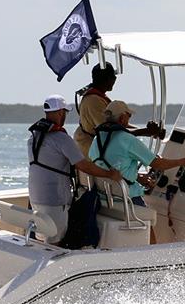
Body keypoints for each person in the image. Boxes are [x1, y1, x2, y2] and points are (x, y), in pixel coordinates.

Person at [28, 94, 122, 244]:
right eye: (65, 112)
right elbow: (83, 165)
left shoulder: (34, 137)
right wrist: (110, 174)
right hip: (54, 198)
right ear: (60, 112)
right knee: (55, 240)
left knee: (42, 237)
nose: (65, 116)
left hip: (35, 196)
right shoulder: (61, 138)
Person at [89, 100, 185, 207]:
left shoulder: (97, 139)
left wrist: (137, 177)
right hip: (127, 200)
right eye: (129, 116)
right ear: (122, 118)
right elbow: (157, 164)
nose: (129, 119)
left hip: (104, 199)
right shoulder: (127, 139)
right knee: (150, 216)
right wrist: (182, 162)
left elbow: (106, 166)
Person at [73, 62, 164, 157]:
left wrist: (151, 132)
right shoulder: (93, 100)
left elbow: (118, 126)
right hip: (91, 154)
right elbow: (111, 132)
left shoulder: (97, 97)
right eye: (113, 76)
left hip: (97, 151)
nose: (115, 79)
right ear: (106, 79)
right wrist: (146, 131)